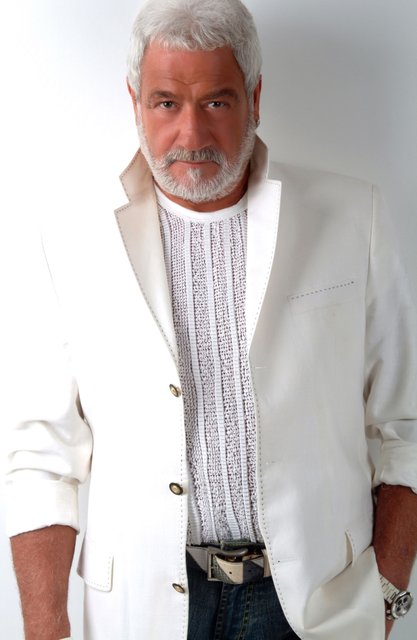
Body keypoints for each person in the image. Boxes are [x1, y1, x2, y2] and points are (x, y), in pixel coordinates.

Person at [6, 0, 417, 638]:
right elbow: (41, 453)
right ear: (135, 101)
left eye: (217, 102)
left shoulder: (351, 218)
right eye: (166, 102)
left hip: (318, 603)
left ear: (255, 98)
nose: (191, 133)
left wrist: (387, 596)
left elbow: (404, 426)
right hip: (142, 608)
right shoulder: (70, 242)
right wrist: (44, 626)